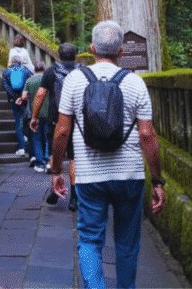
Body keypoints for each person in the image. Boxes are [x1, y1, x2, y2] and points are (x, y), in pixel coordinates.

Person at [46, 20, 166, 289]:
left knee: (89, 240)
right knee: (126, 243)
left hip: (89, 177)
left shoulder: (75, 80)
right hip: (129, 175)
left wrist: (56, 170)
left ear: (91, 49)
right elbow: (148, 136)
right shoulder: (135, 83)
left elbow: (61, 132)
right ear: (121, 51)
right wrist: (157, 180)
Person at [29, 43, 82, 210]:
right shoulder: (82, 71)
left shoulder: (51, 71)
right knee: (73, 158)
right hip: (76, 118)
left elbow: (41, 94)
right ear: (75, 56)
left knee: (54, 152)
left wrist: (34, 116)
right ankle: (74, 197)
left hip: (56, 118)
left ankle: (55, 188)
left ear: (59, 55)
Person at [2, 57, 32, 156]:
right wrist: (22, 97)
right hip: (25, 100)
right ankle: (30, 147)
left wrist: (15, 98)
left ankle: (21, 148)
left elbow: (6, 86)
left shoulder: (6, 72)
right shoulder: (26, 71)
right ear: (20, 62)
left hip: (13, 101)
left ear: (11, 62)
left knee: (18, 122)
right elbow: (29, 84)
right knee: (27, 120)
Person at [22, 61, 48, 171]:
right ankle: (48, 161)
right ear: (44, 69)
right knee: (47, 138)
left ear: (34, 70)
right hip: (47, 113)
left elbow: (24, 97)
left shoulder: (29, 80)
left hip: (35, 114)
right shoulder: (48, 79)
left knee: (36, 139)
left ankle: (39, 163)